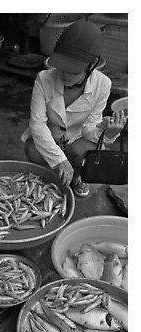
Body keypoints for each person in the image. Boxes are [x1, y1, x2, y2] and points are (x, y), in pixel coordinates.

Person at [21, 19, 127, 198]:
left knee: (83, 154)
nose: (64, 74)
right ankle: (50, 173)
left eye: (72, 70)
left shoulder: (103, 84)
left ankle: (77, 177)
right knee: (33, 151)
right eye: (61, 67)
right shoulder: (43, 79)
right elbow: (38, 125)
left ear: (91, 65)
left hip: (77, 138)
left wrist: (109, 133)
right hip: (51, 134)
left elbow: (89, 128)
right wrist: (60, 160)